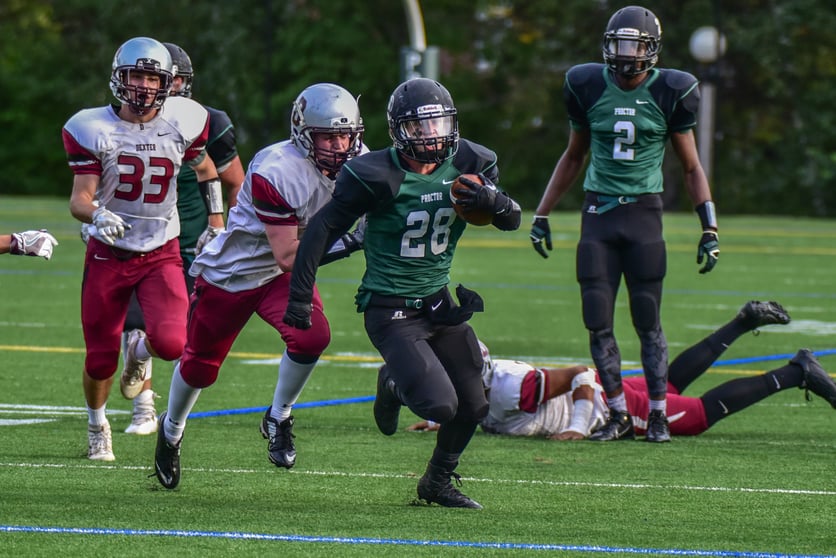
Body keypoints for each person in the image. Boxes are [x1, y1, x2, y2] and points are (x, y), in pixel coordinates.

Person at [281, 77, 522, 509]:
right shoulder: (375, 173)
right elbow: (321, 229)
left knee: (474, 404)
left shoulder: (472, 160)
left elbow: (510, 220)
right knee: (440, 406)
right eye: (420, 127)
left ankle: (436, 483)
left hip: (438, 303)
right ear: (398, 131)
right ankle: (391, 382)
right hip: (390, 309)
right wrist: (299, 297)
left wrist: (494, 200)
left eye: (439, 125)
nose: (431, 137)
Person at [153, 83, 366, 490]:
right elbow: (288, 253)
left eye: (345, 135)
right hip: (235, 273)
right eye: (327, 136)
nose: (339, 145)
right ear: (304, 134)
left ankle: (279, 415)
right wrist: (354, 240)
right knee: (200, 366)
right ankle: (172, 429)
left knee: (311, 337)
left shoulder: (362, 161)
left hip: (282, 277)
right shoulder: (276, 169)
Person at [529, 6, 719, 443]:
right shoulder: (586, 84)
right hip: (598, 213)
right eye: (620, 43)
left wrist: (709, 227)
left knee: (647, 319)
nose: (626, 53)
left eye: (635, 44)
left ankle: (655, 413)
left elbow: (691, 167)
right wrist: (542, 212)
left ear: (651, 49)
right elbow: (574, 155)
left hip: (643, 215)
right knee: (597, 318)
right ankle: (616, 413)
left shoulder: (673, 90)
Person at [63, 36, 220, 461]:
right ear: (119, 77)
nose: (145, 85)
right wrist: (96, 215)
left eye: (154, 77)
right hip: (108, 252)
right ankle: (98, 425)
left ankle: (139, 351)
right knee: (99, 359)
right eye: (137, 75)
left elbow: (206, 169)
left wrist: (216, 222)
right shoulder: (91, 127)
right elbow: (80, 198)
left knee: (171, 342)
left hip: (160, 249)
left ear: (169, 82)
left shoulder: (185, 120)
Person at [86, 41, 246, 438]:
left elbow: (233, 182)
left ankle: (141, 378)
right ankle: (142, 406)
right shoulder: (119, 124)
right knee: (133, 322)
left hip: (193, 238)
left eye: (166, 79)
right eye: (143, 77)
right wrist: (94, 212)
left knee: (175, 333)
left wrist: (223, 227)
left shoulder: (201, 121)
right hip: (139, 237)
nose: (155, 87)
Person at [406, 301, 836, 439]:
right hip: (604, 399)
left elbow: (580, 375)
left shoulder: (509, 387)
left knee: (698, 416)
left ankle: (796, 372)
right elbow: (465, 398)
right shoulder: (485, 384)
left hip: (603, 406)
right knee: (665, 384)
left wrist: (577, 425)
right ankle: (742, 322)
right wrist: (435, 417)